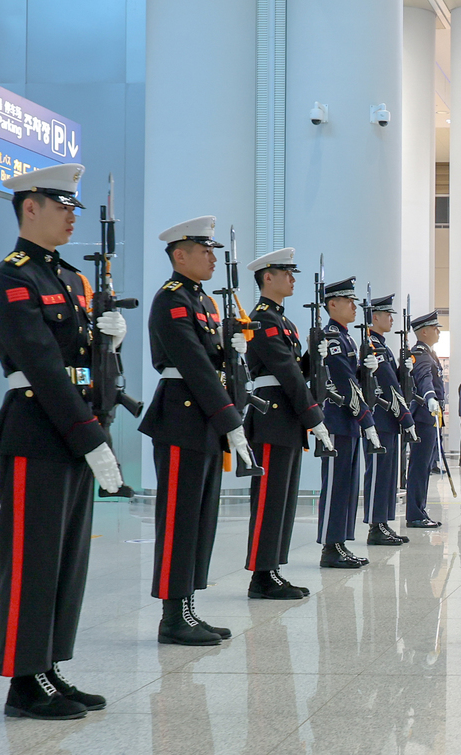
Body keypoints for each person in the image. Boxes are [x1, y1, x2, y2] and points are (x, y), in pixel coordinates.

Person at [0, 163, 125, 719]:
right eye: (61, 206)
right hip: (37, 432)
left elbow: (85, 365)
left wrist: (111, 344)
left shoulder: (69, 278)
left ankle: (47, 666)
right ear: (29, 207)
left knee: (67, 560)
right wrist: (90, 437)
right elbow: (42, 366)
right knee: (31, 559)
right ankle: (22, 679)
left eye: (74, 207)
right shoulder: (11, 278)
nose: (71, 215)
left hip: (75, 428)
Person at [141, 215, 250, 647]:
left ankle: (187, 607)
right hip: (181, 416)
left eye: (213, 251)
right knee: (179, 519)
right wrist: (231, 421)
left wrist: (235, 348)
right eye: (204, 251)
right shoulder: (171, 300)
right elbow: (195, 367)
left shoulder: (204, 302)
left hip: (203, 417)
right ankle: (172, 616)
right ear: (179, 255)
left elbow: (216, 361)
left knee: (201, 519)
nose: (211, 257)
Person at [242, 247, 335, 599]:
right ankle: (261, 576)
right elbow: (286, 375)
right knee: (268, 499)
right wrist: (316, 419)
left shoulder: (285, 322)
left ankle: (273, 569)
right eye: (287, 273)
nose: (293, 279)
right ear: (268, 277)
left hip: (286, 419)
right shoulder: (262, 319)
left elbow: (297, 370)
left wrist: (313, 354)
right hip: (270, 417)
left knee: (283, 499)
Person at [316, 277, 382, 568]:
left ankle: (340, 542)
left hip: (349, 422)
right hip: (337, 421)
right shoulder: (331, 338)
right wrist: (367, 420)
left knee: (348, 485)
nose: (354, 306)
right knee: (336, 484)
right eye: (348, 301)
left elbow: (354, 378)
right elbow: (344, 384)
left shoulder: (346, 337)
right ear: (332, 304)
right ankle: (330, 546)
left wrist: (368, 370)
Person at [361, 294, 417, 544]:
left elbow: (396, 380)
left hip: (388, 420)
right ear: (375, 317)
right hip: (379, 417)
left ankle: (383, 522)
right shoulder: (372, 345)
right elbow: (388, 385)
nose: (392, 319)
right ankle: (375, 525)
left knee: (388, 475)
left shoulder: (383, 345)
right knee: (378, 473)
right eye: (387, 315)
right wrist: (406, 417)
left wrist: (406, 368)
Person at [404, 310, 446, 528]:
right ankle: (415, 514)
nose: (438, 331)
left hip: (429, 418)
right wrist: (430, 397)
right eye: (435, 327)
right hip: (423, 417)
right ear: (424, 331)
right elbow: (424, 378)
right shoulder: (420, 354)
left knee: (423, 466)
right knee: (420, 467)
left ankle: (419, 510)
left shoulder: (429, 353)